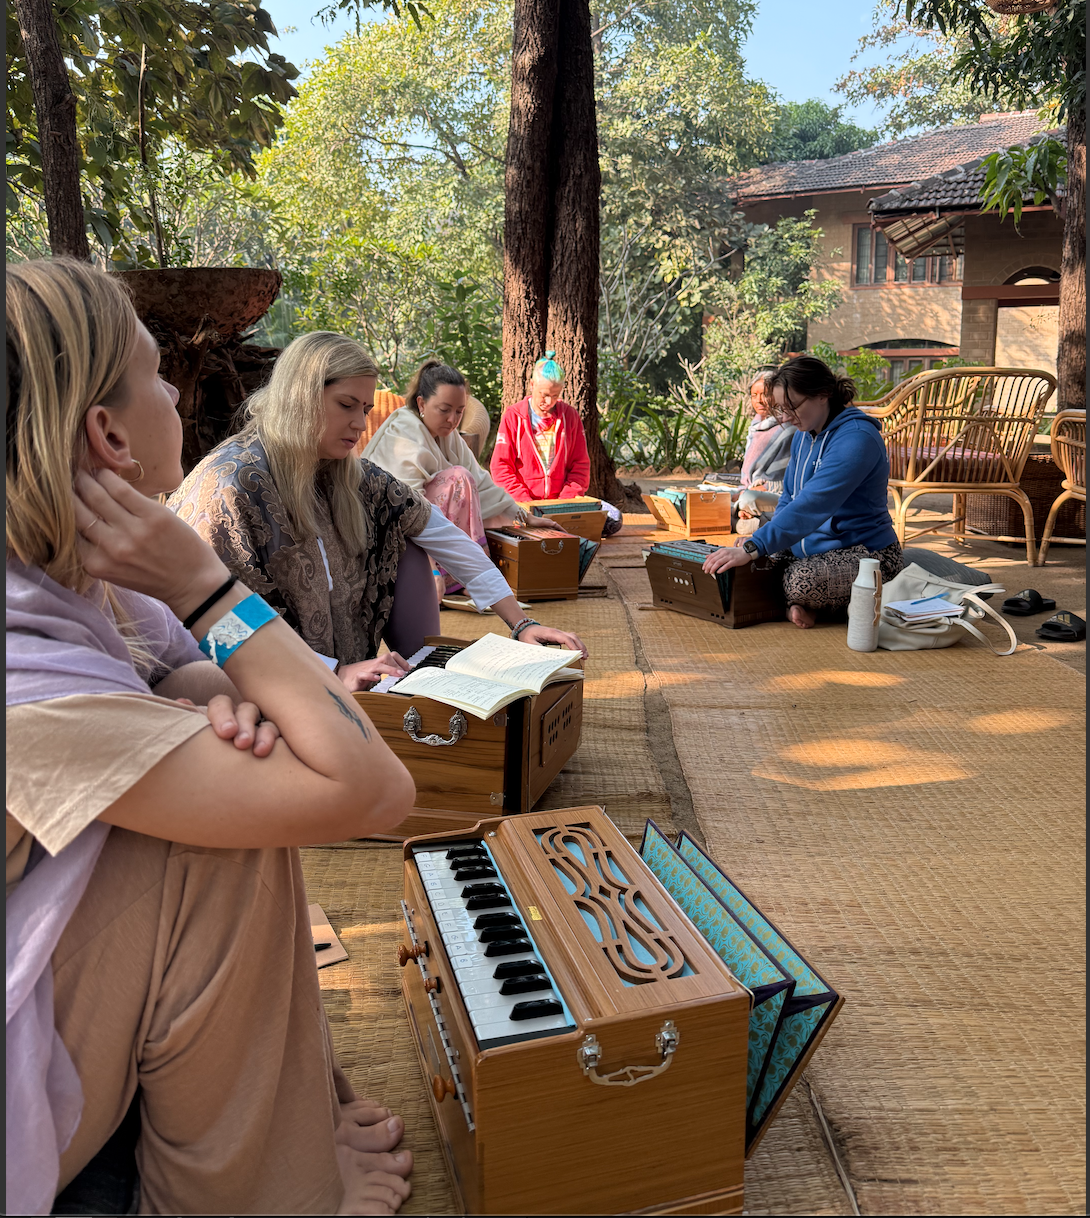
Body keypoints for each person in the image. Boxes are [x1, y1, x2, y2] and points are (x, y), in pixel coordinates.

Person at [6, 257, 420, 1216]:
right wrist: (207, 589)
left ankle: (285, 1124)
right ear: (107, 434)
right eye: (158, 375)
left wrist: (198, 686)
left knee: (238, 773)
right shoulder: (32, 662)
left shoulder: (75, 581)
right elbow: (373, 791)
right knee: (223, 839)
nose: (180, 397)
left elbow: (192, 670)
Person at [169, 333, 586, 691]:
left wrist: (521, 623)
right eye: (346, 405)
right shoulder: (230, 485)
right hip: (248, 687)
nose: (359, 424)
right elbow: (215, 622)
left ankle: (422, 678)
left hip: (343, 676)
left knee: (408, 531)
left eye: (365, 410)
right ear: (301, 395)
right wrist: (332, 672)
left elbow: (442, 534)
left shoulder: (352, 475)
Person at [702, 355, 902, 630]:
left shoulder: (857, 438)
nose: (785, 418)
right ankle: (808, 606)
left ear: (823, 394)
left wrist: (755, 546)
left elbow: (812, 505)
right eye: (780, 409)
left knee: (799, 581)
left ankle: (808, 603)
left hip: (868, 554)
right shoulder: (803, 434)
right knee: (746, 568)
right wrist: (759, 545)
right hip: (809, 549)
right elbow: (788, 499)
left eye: (792, 407)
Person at [361, 360, 547, 602]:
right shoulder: (405, 431)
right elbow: (407, 508)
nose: (452, 419)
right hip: (384, 529)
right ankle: (456, 577)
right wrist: (431, 570)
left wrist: (525, 517)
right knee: (458, 479)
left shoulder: (448, 436)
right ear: (421, 403)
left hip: (418, 518)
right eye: (444, 409)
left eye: (459, 411)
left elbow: (481, 481)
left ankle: (465, 576)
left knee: (464, 478)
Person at [490, 352, 624, 535]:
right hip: (522, 504)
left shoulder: (570, 416)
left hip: (561, 505)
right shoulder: (513, 417)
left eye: (555, 396)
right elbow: (501, 468)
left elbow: (580, 465)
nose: (549, 402)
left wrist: (565, 502)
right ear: (532, 385)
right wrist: (525, 502)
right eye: (544, 395)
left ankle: (555, 527)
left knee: (614, 519)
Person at [734, 370, 796, 533]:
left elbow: (789, 478)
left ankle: (746, 517)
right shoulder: (755, 428)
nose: (759, 400)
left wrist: (763, 488)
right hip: (750, 490)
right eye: (754, 395)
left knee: (748, 499)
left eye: (765, 394)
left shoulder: (789, 428)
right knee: (716, 495)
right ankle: (749, 519)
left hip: (777, 494)